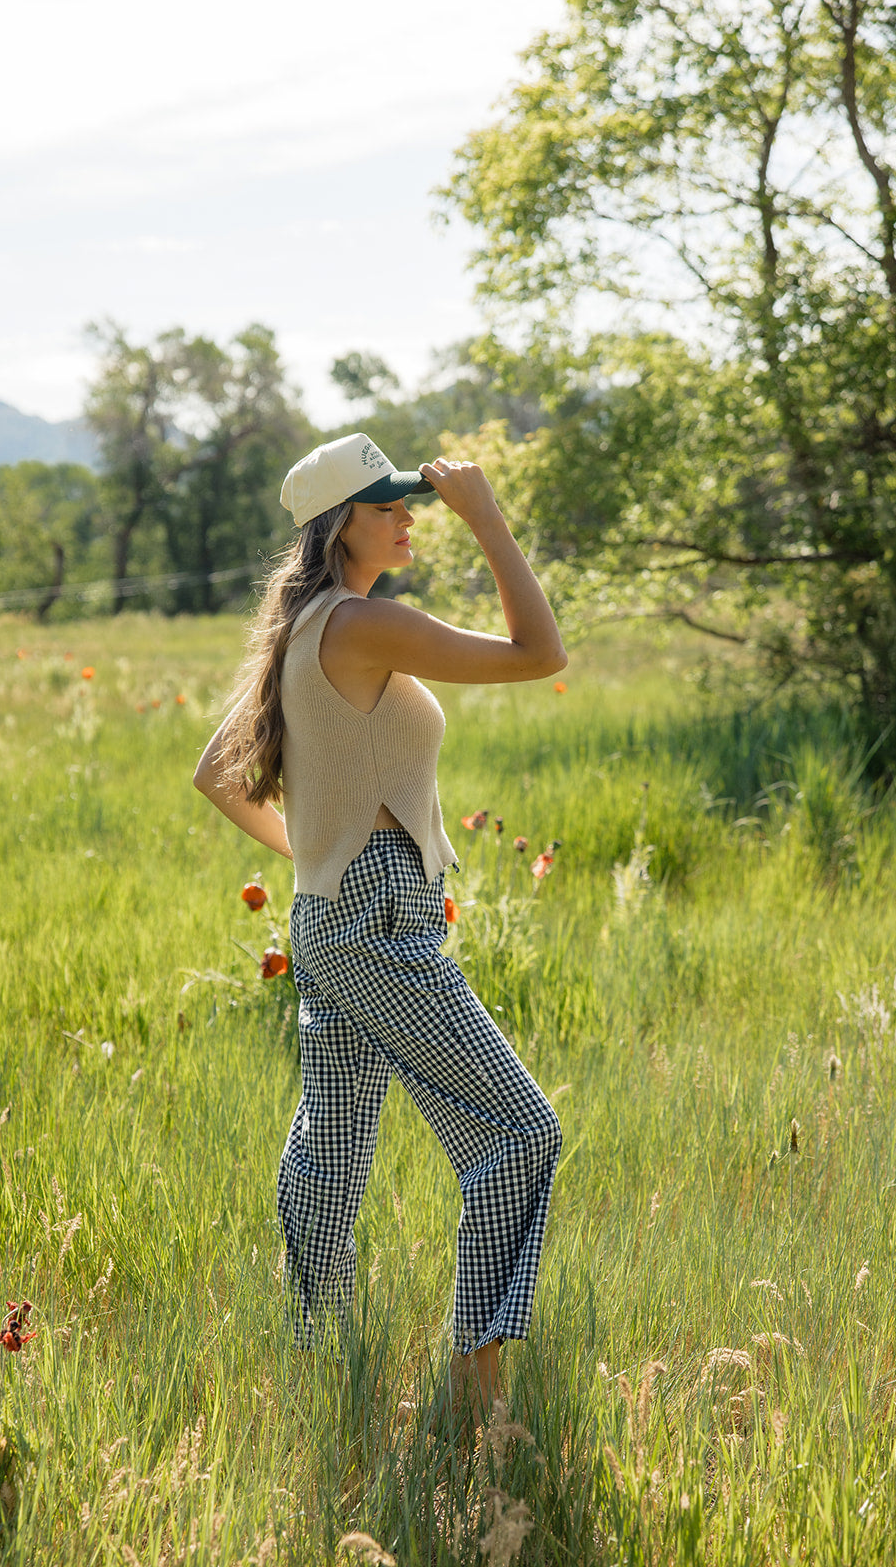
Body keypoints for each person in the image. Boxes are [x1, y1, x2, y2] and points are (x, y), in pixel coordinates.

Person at [193, 432, 566, 1418]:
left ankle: (317, 1367)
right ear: (343, 524)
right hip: (371, 919)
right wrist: (486, 516)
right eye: (391, 503)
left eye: (415, 503)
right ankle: (472, 1389)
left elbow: (213, 774)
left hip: (334, 916)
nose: (411, 516)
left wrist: (315, 860)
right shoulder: (358, 623)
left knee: (330, 1157)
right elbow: (541, 654)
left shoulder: (306, 622)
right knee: (521, 1134)